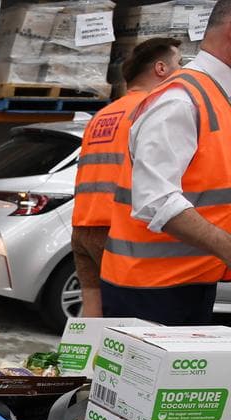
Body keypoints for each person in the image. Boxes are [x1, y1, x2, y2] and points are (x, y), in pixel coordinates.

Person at [101, 2, 231, 324]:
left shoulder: (215, 96)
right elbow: (155, 199)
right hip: (151, 294)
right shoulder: (181, 99)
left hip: (188, 283)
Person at [71, 37, 182, 318]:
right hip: (119, 232)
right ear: (161, 69)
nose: (182, 70)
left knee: (92, 318)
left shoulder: (103, 114)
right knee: (127, 327)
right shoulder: (153, 110)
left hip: (83, 227)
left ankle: (81, 363)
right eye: (179, 63)